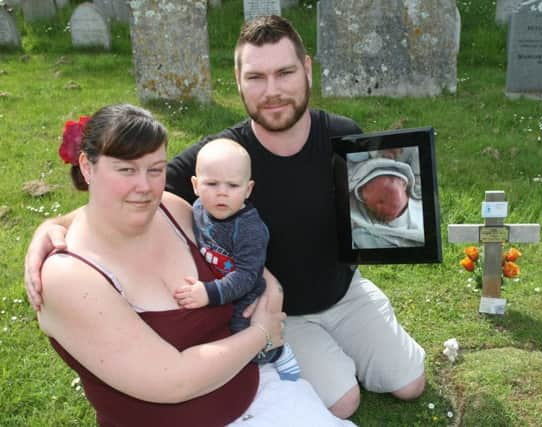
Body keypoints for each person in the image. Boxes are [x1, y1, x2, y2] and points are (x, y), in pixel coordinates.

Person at [25, 16, 426, 419]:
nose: (272, 91)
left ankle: (368, 317)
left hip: (345, 292)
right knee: (343, 402)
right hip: (277, 308)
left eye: (284, 72)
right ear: (237, 80)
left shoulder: (342, 134)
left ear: (306, 69)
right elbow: (135, 194)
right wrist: (53, 225)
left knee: (410, 384)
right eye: (256, 77)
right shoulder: (222, 159)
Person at [35, 104, 355, 426]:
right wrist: (261, 334)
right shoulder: (69, 277)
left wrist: (271, 294)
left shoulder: (172, 209)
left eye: (156, 169)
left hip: (260, 389)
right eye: (126, 170)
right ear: (87, 168)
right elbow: (174, 381)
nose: (145, 187)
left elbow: (254, 270)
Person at [174, 137, 300, 381]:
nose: (222, 192)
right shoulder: (199, 208)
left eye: (233, 185)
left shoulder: (249, 229)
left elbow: (247, 275)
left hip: (246, 293)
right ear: (195, 185)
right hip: (216, 279)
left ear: (248, 189)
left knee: (242, 335)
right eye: (211, 183)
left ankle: (277, 352)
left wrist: (209, 293)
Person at [348, 157, 425, 248]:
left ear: (404, 183)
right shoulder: (364, 227)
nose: (377, 208)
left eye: (383, 198)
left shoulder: (421, 207)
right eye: (370, 206)